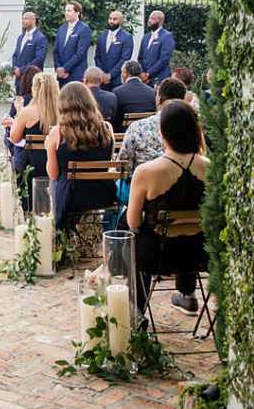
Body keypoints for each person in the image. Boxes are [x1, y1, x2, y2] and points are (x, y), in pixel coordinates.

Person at [128, 99, 208, 317]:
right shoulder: (209, 167)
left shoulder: (146, 172)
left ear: (163, 132)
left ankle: (135, 309)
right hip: (200, 255)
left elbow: (133, 222)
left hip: (157, 257)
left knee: (132, 234)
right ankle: (188, 295)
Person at [45, 81, 115, 228]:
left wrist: (48, 149)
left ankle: (59, 231)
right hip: (101, 194)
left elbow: (53, 174)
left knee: (54, 183)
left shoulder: (57, 132)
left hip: (70, 197)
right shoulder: (107, 128)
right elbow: (107, 164)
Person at [118, 77, 188, 177]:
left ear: (159, 99)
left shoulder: (137, 127)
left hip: (143, 184)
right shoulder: (192, 127)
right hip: (181, 183)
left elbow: (124, 164)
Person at [9, 72, 60, 207]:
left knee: (16, 154)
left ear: (35, 89)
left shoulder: (28, 111)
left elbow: (14, 138)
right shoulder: (62, 110)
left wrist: (19, 112)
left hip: (32, 165)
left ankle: (28, 208)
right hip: (56, 162)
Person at [52, 1, 92, 87]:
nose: (66, 13)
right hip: (61, 77)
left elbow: (80, 53)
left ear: (77, 13)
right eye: (66, 11)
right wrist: (58, 68)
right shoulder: (61, 29)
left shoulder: (84, 29)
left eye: (69, 11)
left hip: (75, 75)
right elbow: (55, 51)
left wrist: (65, 69)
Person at [94, 11, 134, 91]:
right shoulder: (102, 36)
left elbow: (125, 58)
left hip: (117, 80)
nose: (111, 21)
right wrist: (102, 74)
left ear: (120, 21)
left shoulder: (126, 37)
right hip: (102, 81)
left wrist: (110, 75)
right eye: (110, 18)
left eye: (115, 19)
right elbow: (97, 57)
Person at [11, 12, 48, 94]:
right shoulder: (21, 37)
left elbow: (39, 60)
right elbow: (15, 55)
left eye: (26, 19)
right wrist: (14, 69)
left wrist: (21, 70)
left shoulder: (40, 38)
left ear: (33, 20)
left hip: (32, 80)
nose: (23, 21)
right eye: (22, 19)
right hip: (19, 81)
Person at [113, 60, 158, 128]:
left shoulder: (117, 92)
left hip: (124, 134)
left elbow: (114, 118)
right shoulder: (152, 92)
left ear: (125, 72)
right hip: (147, 132)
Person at [137, 9, 175, 86]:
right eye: (149, 18)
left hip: (159, 78)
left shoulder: (166, 36)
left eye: (153, 19)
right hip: (144, 80)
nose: (149, 21)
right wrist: (142, 74)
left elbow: (163, 59)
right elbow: (140, 57)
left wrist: (148, 74)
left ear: (160, 22)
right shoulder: (146, 37)